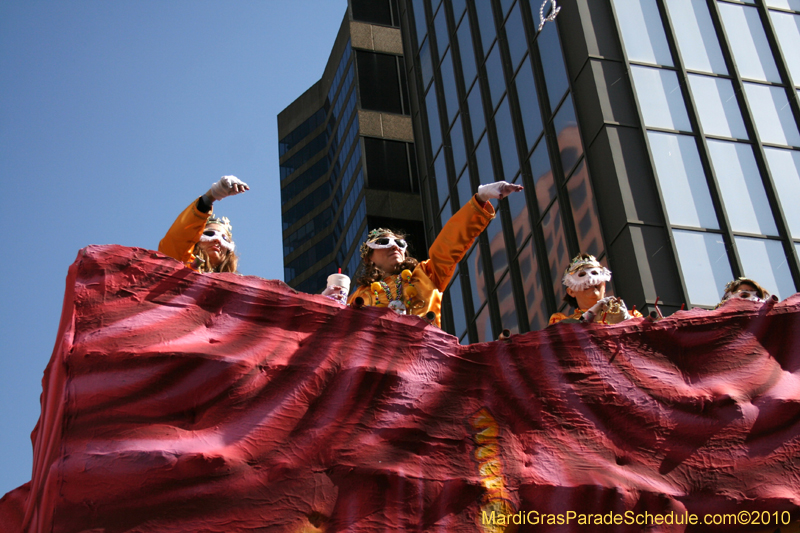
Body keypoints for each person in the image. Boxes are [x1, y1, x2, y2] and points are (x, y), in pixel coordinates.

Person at [345, 181, 523, 327]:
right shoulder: (356, 298)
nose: (394, 247)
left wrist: (481, 198)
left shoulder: (426, 274)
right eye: (384, 243)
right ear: (368, 257)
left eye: (399, 243)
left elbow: (449, 243)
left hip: (421, 360)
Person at [159, 175, 249, 273]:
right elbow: (178, 237)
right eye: (209, 234)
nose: (217, 240)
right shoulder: (179, 263)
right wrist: (212, 195)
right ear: (196, 240)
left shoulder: (235, 285)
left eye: (225, 239)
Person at [548, 253, 642, 325]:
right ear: (571, 291)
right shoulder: (559, 320)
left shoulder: (634, 316)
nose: (590, 280)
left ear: (604, 286)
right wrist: (591, 314)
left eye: (594, 273)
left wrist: (627, 320)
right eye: (582, 275)